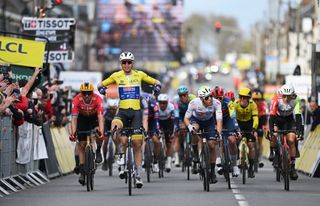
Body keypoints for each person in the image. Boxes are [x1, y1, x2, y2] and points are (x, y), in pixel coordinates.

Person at [97, 51, 161, 188]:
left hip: (136, 113)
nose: (126, 65)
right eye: (124, 62)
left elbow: (156, 81)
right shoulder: (116, 75)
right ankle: (120, 155)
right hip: (123, 112)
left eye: (129, 62)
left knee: (137, 144)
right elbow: (100, 85)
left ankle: (138, 175)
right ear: (121, 64)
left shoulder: (140, 74)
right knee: (115, 127)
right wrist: (102, 90)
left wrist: (157, 86)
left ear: (132, 63)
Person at [184, 86, 222, 184]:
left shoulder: (216, 103)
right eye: (206, 98)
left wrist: (218, 132)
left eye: (210, 96)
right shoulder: (193, 103)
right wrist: (190, 128)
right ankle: (196, 154)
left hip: (209, 122)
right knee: (194, 130)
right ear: (201, 99)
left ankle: (212, 172)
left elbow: (219, 120)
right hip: (196, 120)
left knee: (212, 145)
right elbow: (186, 119)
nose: (209, 99)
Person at [69, 82, 105, 185]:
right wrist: (73, 133)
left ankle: (98, 150)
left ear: (92, 93)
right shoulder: (76, 100)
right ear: (81, 93)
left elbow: (100, 117)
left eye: (89, 93)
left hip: (94, 118)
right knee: (82, 144)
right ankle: (82, 170)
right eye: (84, 93)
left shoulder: (98, 99)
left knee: (99, 133)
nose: (87, 96)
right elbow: (74, 118)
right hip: (82, 118)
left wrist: (101, 132)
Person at [268, 84, 303, 180]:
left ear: (292, 95)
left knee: (291, 139)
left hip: (289, 120)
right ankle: (276, 153)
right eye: (284, 96)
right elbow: (271, 116)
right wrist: (271, 130)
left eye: (288, 96)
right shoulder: (276, 99)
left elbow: (299, 116)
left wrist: (300, 131)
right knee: (274, 135)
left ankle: (292, 167)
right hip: (277, 119)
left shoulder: (296, 100)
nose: (286, 99)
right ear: (281, 94)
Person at [211, 86, 240, 177]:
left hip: (227, 121)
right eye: (216, 98)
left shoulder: (228, 102)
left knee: (232, 140)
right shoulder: (210, 103)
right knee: (216, 138)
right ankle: (219, 158)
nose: (218, 100)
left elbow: (233, 114)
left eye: (220, 98)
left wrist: (236, 127)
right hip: (215, 120)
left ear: (223, 96)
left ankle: (235, 165)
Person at [233, 87, 259, 178]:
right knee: (234, 142)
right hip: (238, 123)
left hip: (249, 124)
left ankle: (251, 168)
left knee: (251, 146)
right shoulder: (235, 104)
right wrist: (235, 129)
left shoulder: (253, 105)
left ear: (249, 98)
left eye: (245, 97)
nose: (242, 99)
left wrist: (254, 128)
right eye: (241, 97)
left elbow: (255, 118)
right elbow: (232, 118)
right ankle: (235, 163)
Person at [172, 85, 196, 167]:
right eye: (180, 95)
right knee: (179, 132)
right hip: (181, 116)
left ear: (187, 94)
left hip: (191, 115)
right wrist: (177, 126)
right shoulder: (176, 100)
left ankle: (194, 150)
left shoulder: (193, 98)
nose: (183, 97)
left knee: (194, 131)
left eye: (184, 95)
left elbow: (196, 112)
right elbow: (176, 114)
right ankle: (180, 150)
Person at [157, 93, 178, 172]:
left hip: (168, 123)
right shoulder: (156, 107)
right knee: (155, 139)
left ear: (167, 102)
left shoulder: (171, 107)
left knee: (169, 142)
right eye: (161, 103)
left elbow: (174, 121)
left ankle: (168, 162)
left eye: (164, 103)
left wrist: (173, 132)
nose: (162, 105)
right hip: (158, 122)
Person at [102, 98, 119, 171]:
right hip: (107, 126)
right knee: (105, 141)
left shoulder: (118, 113)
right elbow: (102, 121)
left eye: (114, 109)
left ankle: (116, 154)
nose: (112, 110)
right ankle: (105, 160)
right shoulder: (106, 112)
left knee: (117, 140)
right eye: (111, 109)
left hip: (114, 126)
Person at [252, 90, 268, 168]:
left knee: (260, 141)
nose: (256, 101)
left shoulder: (263, 105)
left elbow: (264, 117)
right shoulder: (250, 105)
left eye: (258, 100)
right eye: (254, 99)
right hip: (252, 123)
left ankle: (260, 157)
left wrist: (264, 127)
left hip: (260, 122)